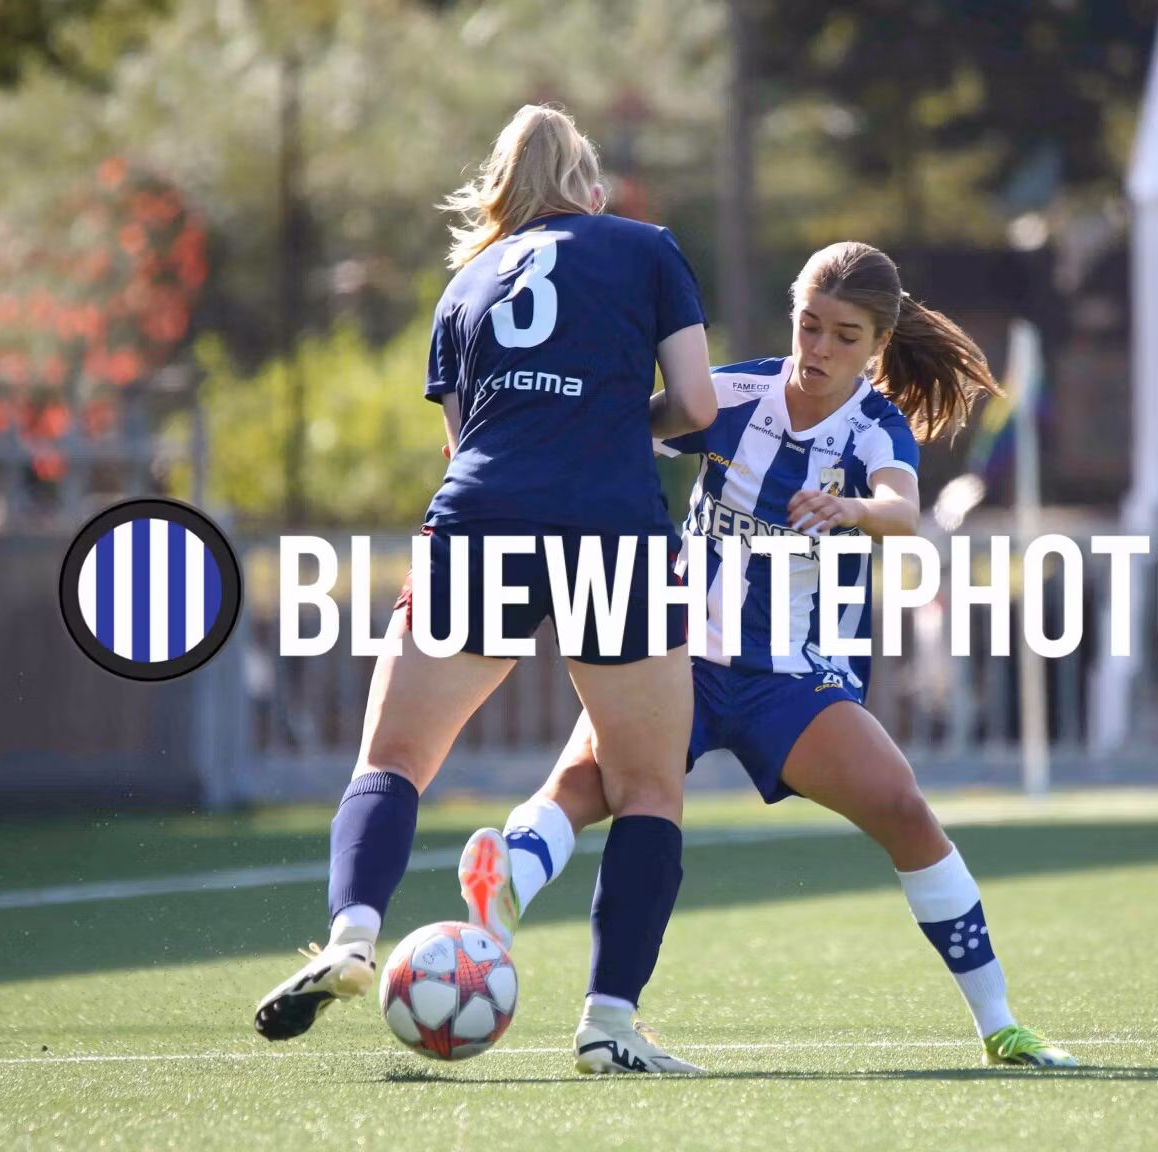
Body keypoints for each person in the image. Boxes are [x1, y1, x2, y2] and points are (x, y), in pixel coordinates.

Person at [456, 241, 1078, 1069]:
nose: (819, 349)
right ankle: (504, 913)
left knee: (903, 810)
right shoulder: (732, 395)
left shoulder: (874, 428)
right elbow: (621, 430)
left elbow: (903, 510)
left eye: (844, 336)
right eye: (808, 325)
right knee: (580, 787)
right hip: (673, 655)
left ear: (877, 346)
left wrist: (850, 505)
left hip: (790, 680)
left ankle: (999, 1023)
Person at [254, 104, 717, 1076]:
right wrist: (610, 421)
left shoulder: (464, 284)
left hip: (481, 518)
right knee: (645, 787)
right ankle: (608, 1024)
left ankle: (349, 937)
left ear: (499, 196)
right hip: (610, 527)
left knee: (392, 760)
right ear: (590, 188)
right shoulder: (643, 247)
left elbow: (462, 444)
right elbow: (698, 404)